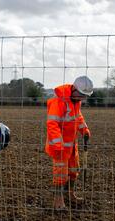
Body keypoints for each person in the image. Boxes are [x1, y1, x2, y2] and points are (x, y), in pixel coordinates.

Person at [45, 76, 93, 210]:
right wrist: (58, 145)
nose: (84, 98)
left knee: (73, 171)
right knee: (60, 175)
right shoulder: (58, 101)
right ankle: (58, 201)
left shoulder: (76, 102)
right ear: (75, 89)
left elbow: (78, 117)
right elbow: (52, 124)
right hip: (59, 147)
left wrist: (84, 129)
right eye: (82, 95)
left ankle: (70, 195)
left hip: (71, 145)